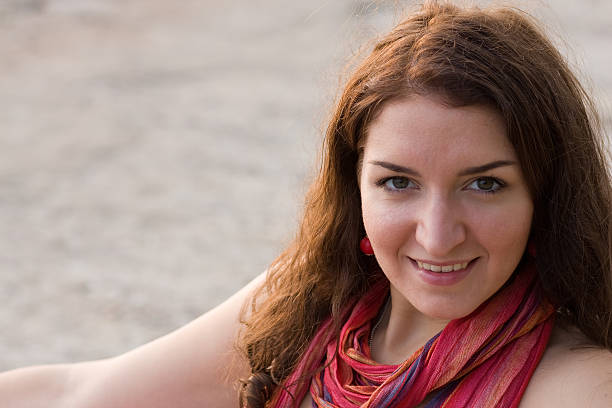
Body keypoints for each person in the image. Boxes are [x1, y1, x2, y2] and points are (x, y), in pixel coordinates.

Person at [1, 1, 611, 407]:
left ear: (545, 194)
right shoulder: (313, 303)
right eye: (398, 183)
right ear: (355, 188)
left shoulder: (578, 387)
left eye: (484, 184)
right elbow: (84, 394)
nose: (437, 233)